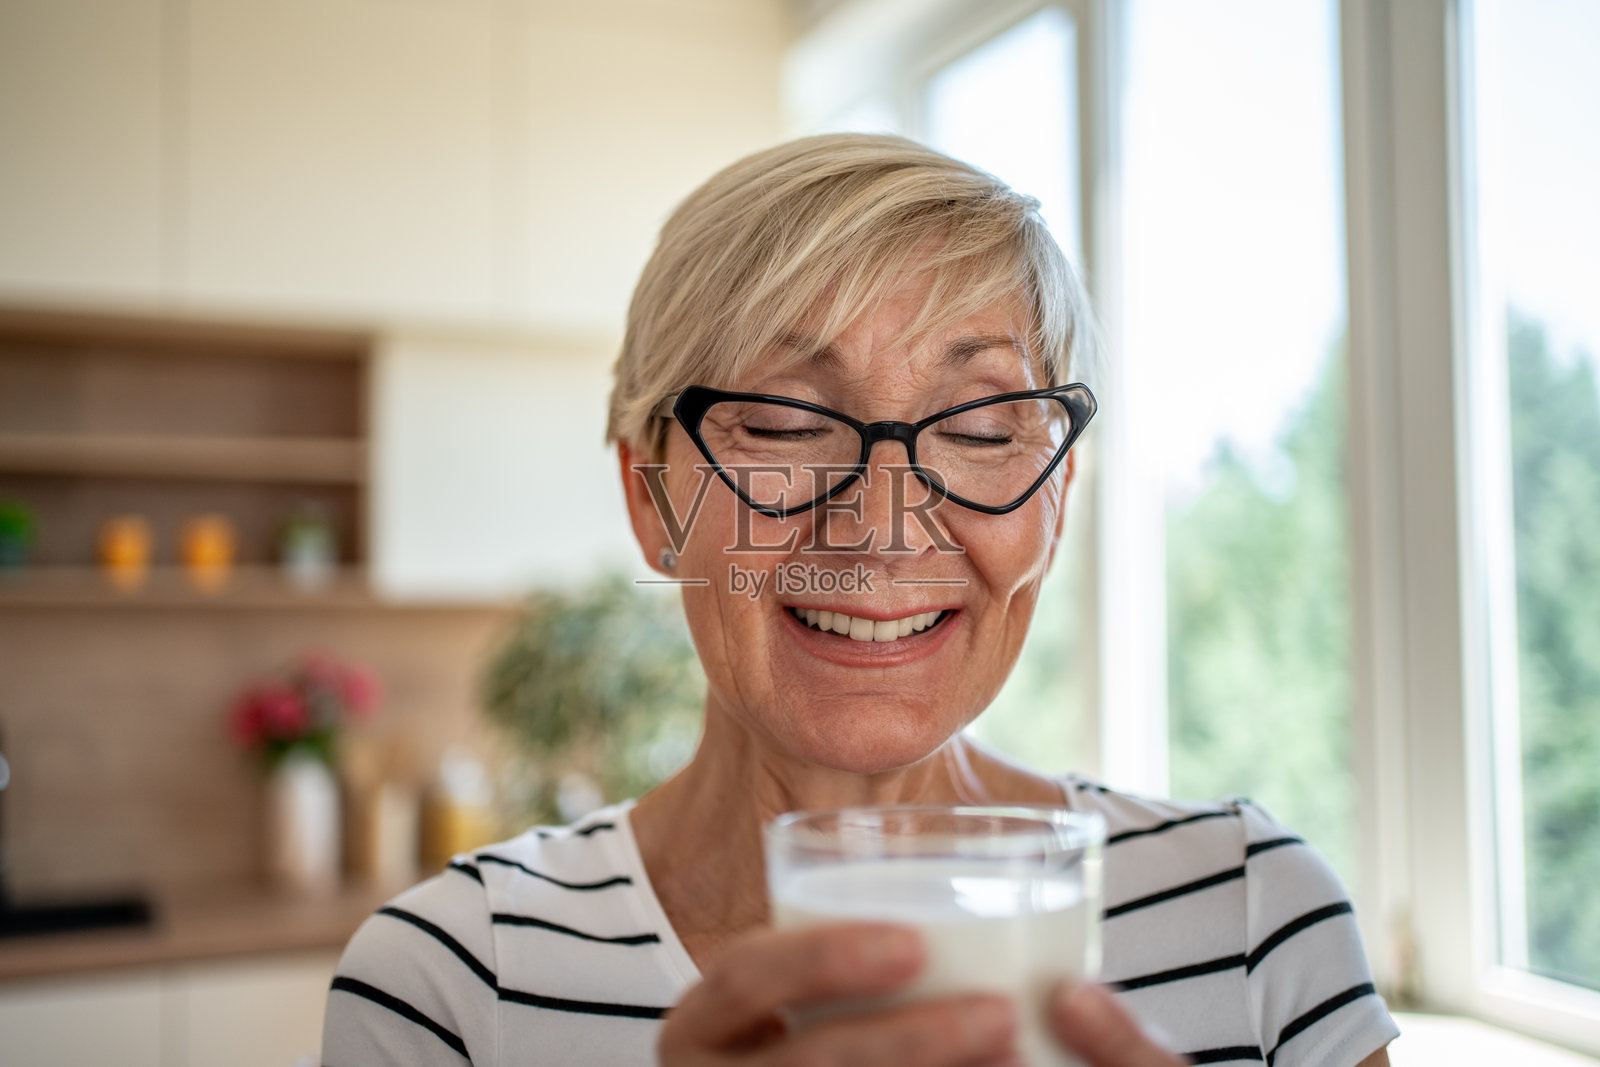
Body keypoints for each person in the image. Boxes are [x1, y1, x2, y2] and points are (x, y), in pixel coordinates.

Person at [322, 133, 1399, 1067]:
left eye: (980, 430)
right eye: (786, 424)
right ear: (650, 496)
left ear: (1057, 496)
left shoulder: (1253, 913)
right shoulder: (453, 980)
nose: (882, 522)